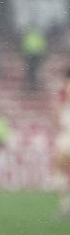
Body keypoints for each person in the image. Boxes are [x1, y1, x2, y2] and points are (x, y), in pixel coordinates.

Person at [56, 67, 70, 218]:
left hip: (67, 133)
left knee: (61, 169)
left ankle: (64, 206)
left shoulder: (64, 88)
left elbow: (57, 108)